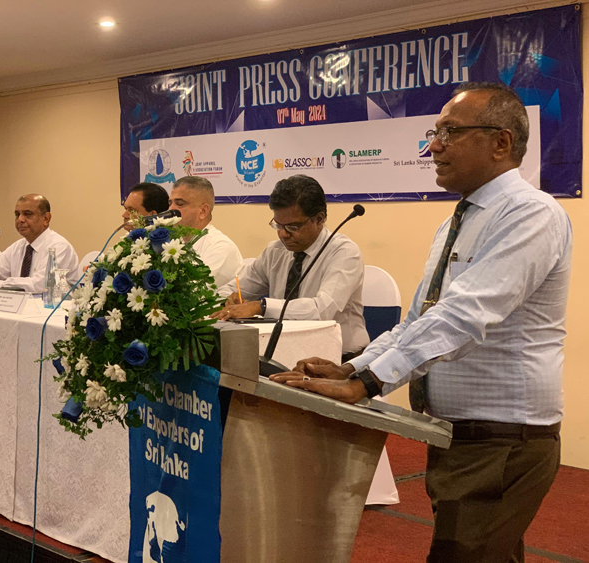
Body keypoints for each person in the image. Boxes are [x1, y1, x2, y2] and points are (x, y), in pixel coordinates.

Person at [272, 83, 571, 563]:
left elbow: (463, 316)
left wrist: (369, 382)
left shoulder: (530, 214)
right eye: (435, 133)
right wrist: (353, 367)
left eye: (451, 132)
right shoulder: (457, 222)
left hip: (502, 440)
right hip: (458, 433)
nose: (434, 146)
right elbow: (420, 320)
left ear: (501, 142)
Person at [212, 174, 369, 359]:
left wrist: (262, 306)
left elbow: (322, 310)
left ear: (319, 219)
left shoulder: (344, 253)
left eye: (293, 227)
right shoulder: (275, 251)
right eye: (278, 225)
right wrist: (228, 300)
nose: (283, 234)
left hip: (340, 359)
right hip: (285, 352)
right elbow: (234, 289)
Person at [0, 194, 79, 293]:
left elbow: (42, 285)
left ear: (46, 219)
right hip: (20, 302)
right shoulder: (17, 247)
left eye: (27, 214)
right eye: (17, 215)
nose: (20, 219)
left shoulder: (59, 246)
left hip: (52, 303)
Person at [168, 176, 243, 288]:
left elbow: (194, 292)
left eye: (180, 204)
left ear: (203, 211)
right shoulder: (174, 242)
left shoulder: (221, 247)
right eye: (170, 203)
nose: (170, 209)